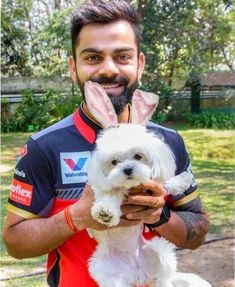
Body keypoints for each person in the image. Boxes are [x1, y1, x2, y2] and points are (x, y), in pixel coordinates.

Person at [3, 1, 209, 286]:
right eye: (92, 57)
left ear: (140, 64)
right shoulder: (44, 146)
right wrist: (77, 217)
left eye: (122, 56)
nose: (109, 69)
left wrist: (159, 215)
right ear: (73, 68)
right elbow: (15, 242)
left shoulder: (167, 142)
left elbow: (197, 232)